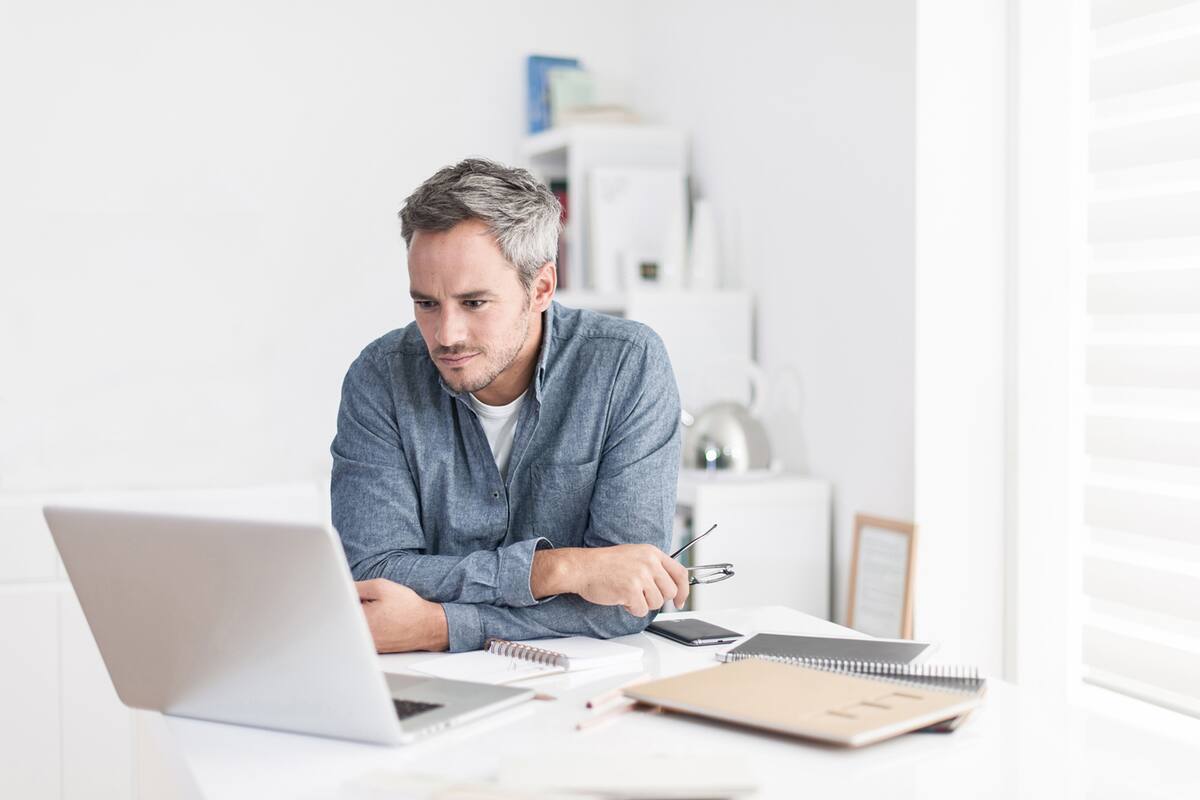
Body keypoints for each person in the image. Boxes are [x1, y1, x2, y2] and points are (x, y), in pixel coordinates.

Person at [331, 158, 689, 653]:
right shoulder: (380, 378)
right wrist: (560, 569)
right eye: (426, 304)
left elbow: (623, 603)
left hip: (578, 688)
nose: (446, 335)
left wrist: (439, 625)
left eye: (474, 303)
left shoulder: (626, 366)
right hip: (428, 685)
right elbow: (373, 578)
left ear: (540, 288)